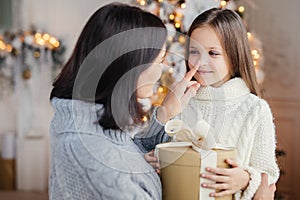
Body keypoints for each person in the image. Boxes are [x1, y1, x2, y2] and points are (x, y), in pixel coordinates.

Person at [49, 3, 199, 200]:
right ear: (131, 66)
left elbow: (124, 158)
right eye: (160, 60)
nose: (161, 70)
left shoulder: (92, 121)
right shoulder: (88, 152)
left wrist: (165, 113)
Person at [140, 8, 279, 199]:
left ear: (234, 55)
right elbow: (149, 149)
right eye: (194, 51)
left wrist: (246, 178)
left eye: (213, 53)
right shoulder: (181, 101)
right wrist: (150, 160)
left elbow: (268, 175)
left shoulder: (255, 109)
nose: (201, 62)